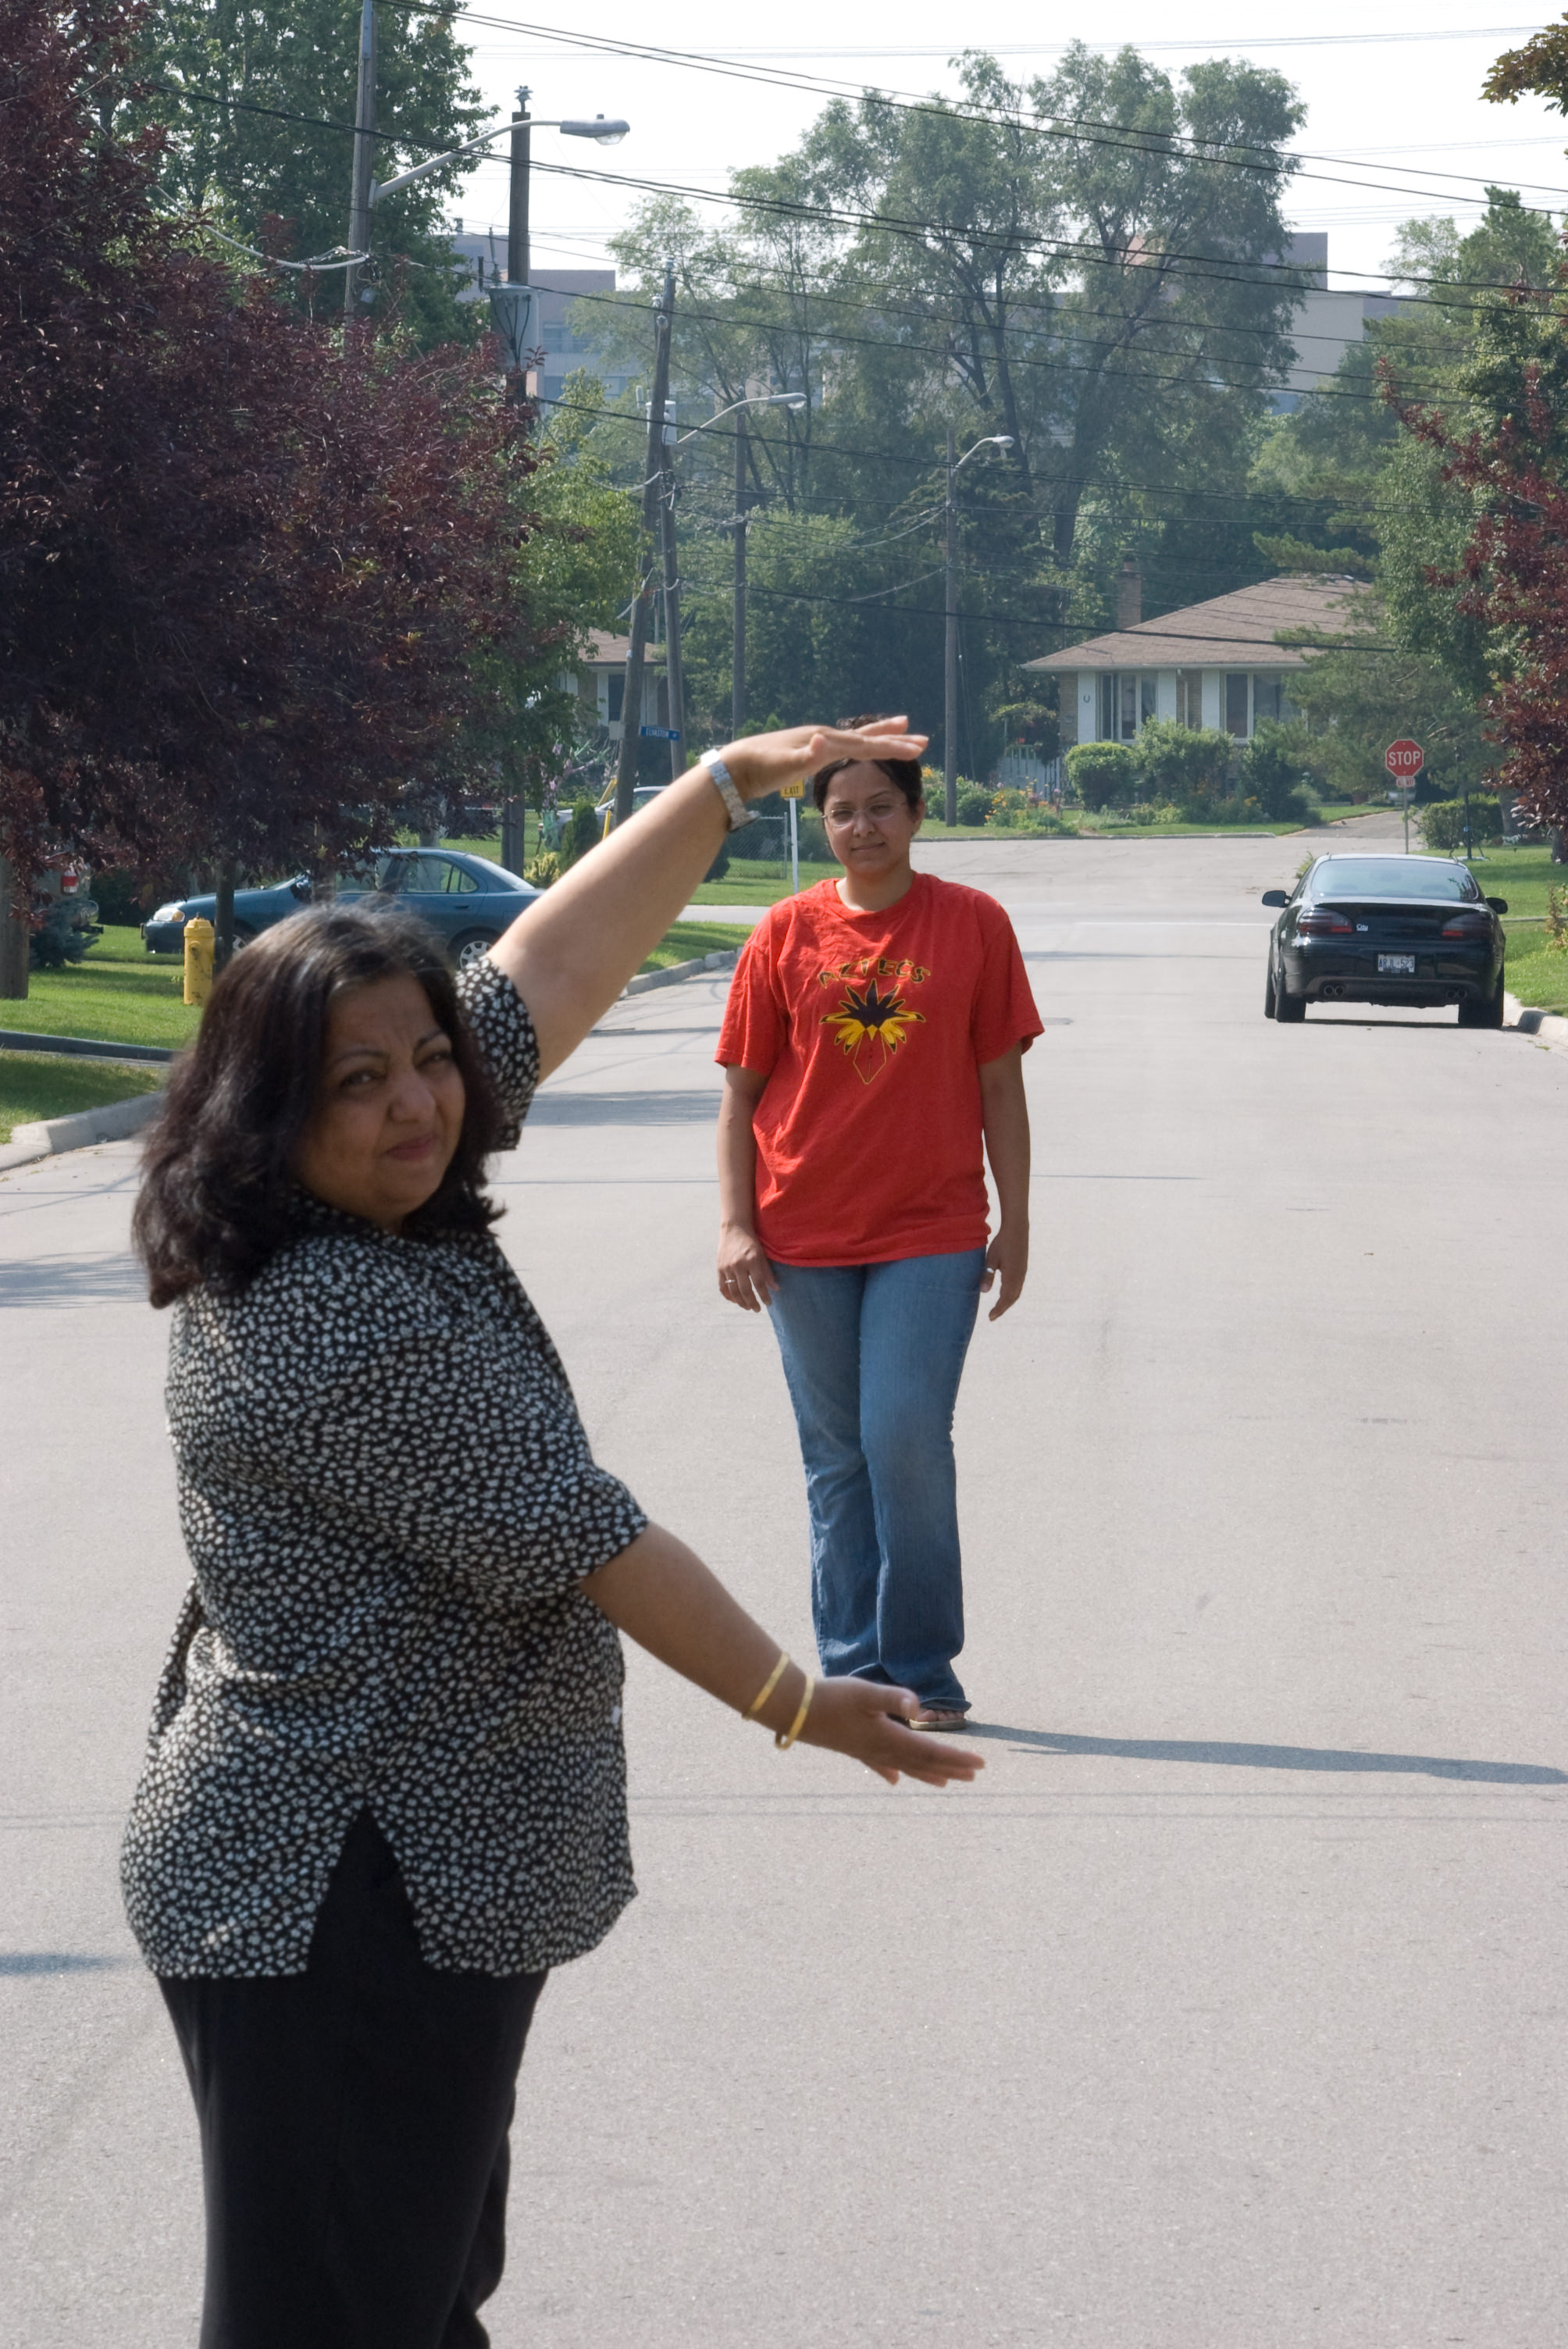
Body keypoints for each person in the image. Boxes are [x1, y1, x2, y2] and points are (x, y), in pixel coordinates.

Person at [123, 721, 982, 2349]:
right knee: (335, 2316)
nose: (418, 1104)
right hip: (331, 1883)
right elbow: (593, 1536)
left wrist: (722, 784)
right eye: (359, 1081)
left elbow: (546, 971)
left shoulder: (367, 1200)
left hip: (404, 1875)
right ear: (268, 1108)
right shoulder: (326, 1314)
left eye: (428, 1060)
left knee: (416, 2294)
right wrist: (799, 1703)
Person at [715, 722, 1042, 1731]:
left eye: (881, 808)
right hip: (800, 1231)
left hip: (932, 1229)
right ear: (822, 824)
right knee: (836, 1456)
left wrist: (1017, 1219)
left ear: (916, 814)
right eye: (843, 811)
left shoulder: (974, 924)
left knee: (903, 1435)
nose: (863, 827)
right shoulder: (783, 933)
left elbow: (1001, 1085)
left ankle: (924, 1668)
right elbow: (741, 1097)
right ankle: (855, 1674)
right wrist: (734, 1224)